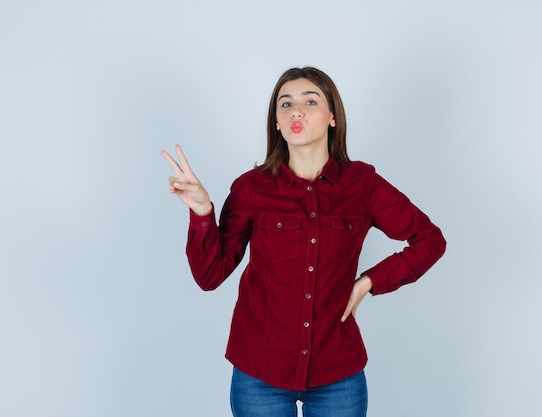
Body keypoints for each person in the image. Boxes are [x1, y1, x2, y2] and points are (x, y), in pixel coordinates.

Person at [161, 67, 446, 417]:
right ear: (277, 123)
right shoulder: (251, 188)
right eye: (286, 104)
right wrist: (203, 212)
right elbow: (210, 275)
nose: (296, 111)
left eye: (310, 101)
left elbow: (429, 240)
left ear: (332, 118)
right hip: (259, 372)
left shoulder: (363, 185)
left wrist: (368, 283)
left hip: (337, 373)